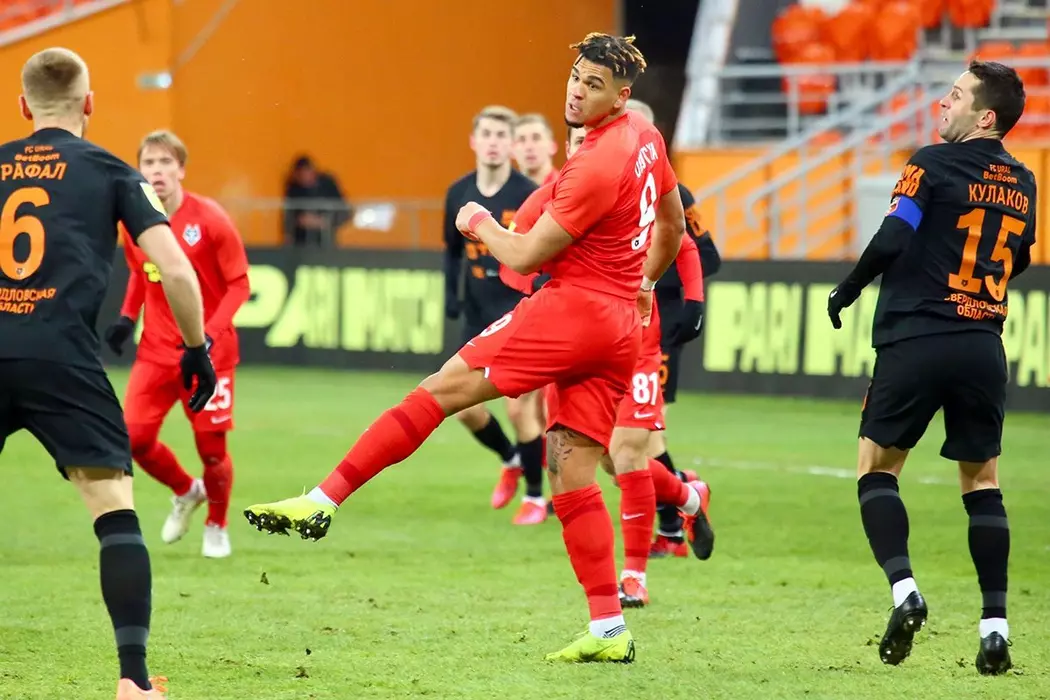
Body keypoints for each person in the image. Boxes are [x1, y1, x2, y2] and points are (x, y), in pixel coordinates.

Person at [246, 32, 685, 663]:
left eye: (594, 85)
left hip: (573, 310)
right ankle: (609, 629)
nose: (577, 91)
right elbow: (671, 224)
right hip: (620, 325)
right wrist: (644, 284)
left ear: (621, 96)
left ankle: (321, 500)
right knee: (572, 469)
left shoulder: (596, 162)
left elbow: (526, 255)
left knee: (441, 391)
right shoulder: (646, 136)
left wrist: (478, 220)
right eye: (575, 76)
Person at [0, 48, 215, 699]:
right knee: (115, 515)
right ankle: (134, 682)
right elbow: (175, 269)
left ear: (23, 106)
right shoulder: (112, 172)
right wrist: (196, 348)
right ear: (89, 103)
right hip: (62, 357)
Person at [826, 60, 1034, 676]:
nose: (943, 103)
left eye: (956, 95)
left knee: (876, 468)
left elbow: (894, 234)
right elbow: (1018, 258)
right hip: (982, 345)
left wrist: (848, 287)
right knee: (983, 482)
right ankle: (995, 628)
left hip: (916, 336)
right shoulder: (1025, 181)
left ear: (985, 116)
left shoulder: (931, 164)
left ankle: (905, 592)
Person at [503, 125, 714, 608]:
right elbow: (514, 263)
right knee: (607, 461)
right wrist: (536, 287)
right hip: (577, 342)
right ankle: (688, 496)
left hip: (637, 339)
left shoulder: (640, 187)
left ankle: (634, 577)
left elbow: (681, 241)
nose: (590, 151)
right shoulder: (552, 196)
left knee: (628, 452)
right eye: (580, 143)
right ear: (569, 151)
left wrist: (694, 301)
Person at [105, 130, 251, 559]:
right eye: (149, 163)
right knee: (133, 440)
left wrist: (209, 335)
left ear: (181, 169)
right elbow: (141, 271)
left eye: (166, 162)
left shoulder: (210, 219)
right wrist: (127, 317)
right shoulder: (134, 222)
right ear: (140, 171)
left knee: (212, 450)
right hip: (155, 351)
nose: (157, 171)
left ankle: (217, 525)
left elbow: (240, 284)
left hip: (209, 356)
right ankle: (187, 491)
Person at [622, 98, 724, 559]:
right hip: (619, 324)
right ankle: (681, 504)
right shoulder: (610, 185)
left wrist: (685, 300)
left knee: (642, 437)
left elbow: (707, 254)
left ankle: (672, 520)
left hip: (658, 326)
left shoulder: (674, 194)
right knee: (639, 438)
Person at [441, 105, 547, 523]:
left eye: (501, 135)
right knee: (463, 407)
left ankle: (535, 497)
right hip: (476, 312)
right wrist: (450, 294)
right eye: (486, 134)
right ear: (473, 141)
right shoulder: (458, 192)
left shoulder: (527, 193)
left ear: (511, 145)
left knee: (520, 409)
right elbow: (452, 251)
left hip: (518, 311)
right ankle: (511, 458)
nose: (493, 142)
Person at [282, 155, 350, 247]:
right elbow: (289, 217)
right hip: (300, 246)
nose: (304, 179)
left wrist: (321, 221)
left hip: (325, 243)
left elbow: (345, 213)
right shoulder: (293, 188)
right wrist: (288, 236)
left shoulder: (328, 185)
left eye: (306, 173)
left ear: (313, 172)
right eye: (300, 176)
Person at [513, 113, 560, 186]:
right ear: (512, 150)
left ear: (552, 147)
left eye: (536, 138)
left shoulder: (566, 187)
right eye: (522, 140)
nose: (528, 147)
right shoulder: (505, 190)